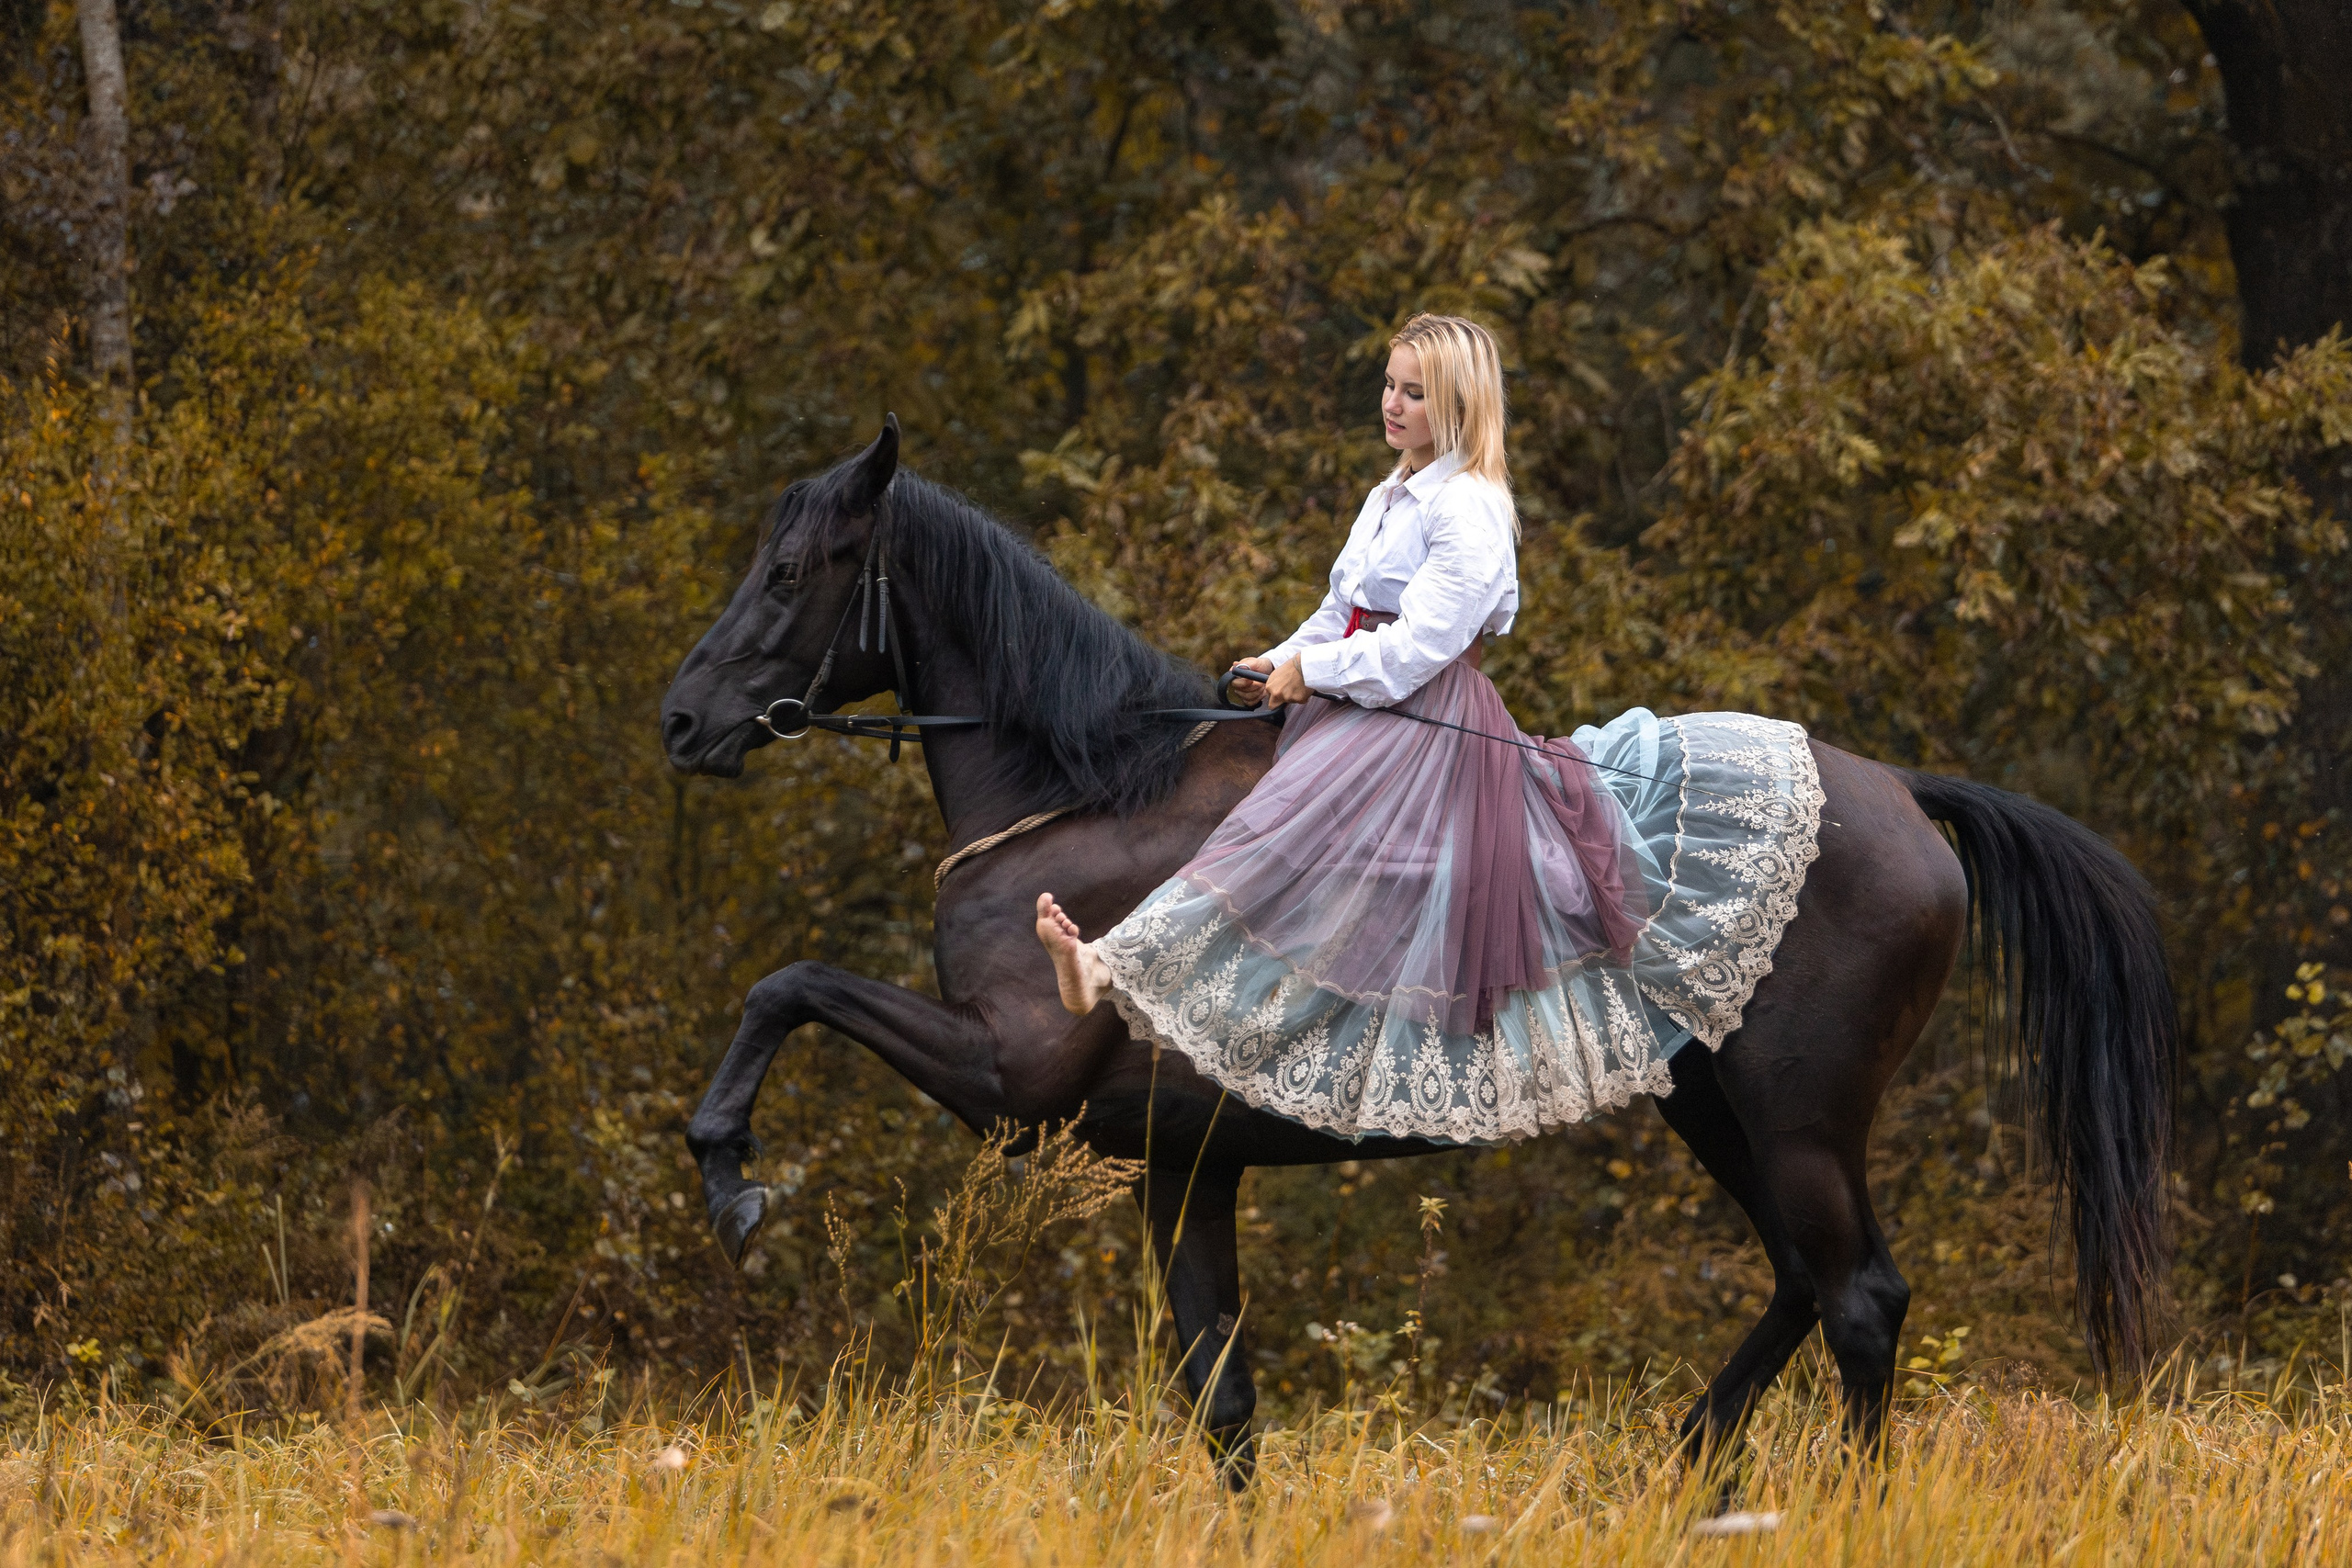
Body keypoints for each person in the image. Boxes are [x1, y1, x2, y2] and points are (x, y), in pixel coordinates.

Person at [1036, 313, 1826, 1145]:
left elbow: (1420, 647)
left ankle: (1108, 966)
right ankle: (1236, 995)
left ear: (1458, 406)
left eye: (1416, 393)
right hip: (1354, 700)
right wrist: (1272, 666)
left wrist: (1318, 674)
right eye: (1390, 384)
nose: (1394, 404)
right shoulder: (1389, 494)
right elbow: (1338, 612)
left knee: (1273, 833)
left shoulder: (1472, 504)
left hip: (1419, 714)